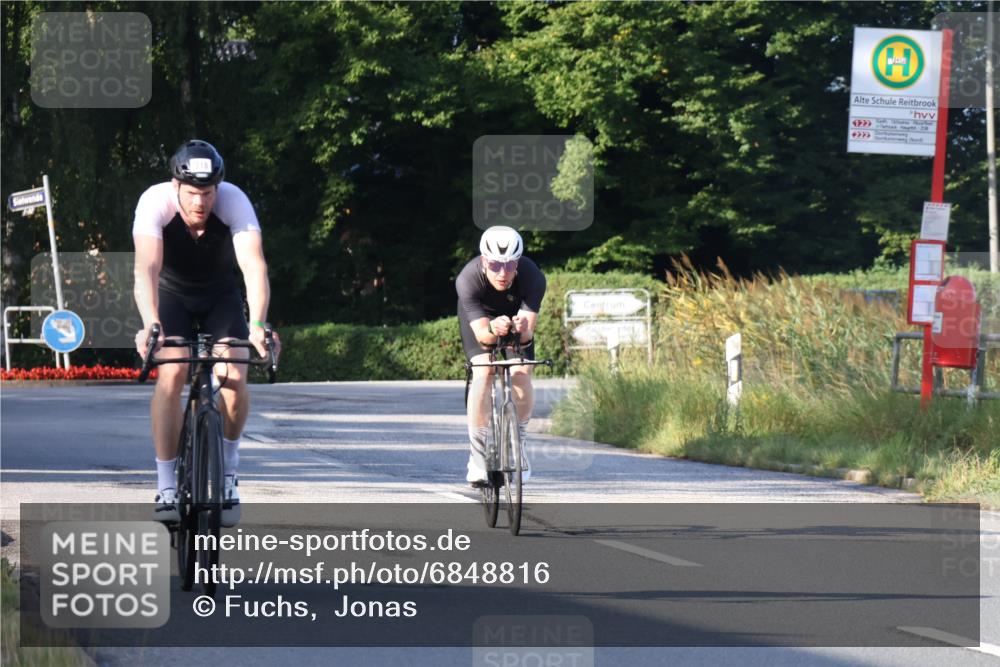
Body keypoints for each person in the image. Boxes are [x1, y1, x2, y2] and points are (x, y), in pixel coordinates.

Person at [133, 139, 272, 526]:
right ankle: (166, 487)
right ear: (176, 186)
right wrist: (150, 324)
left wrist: (259, 326)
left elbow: (254, 267)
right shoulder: (155, 202)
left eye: (207, 193)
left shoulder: (234, 201)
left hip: (220, 296)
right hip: (171, 295)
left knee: (233, 373)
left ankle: (227, 475)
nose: (200, 202)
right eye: (193, 193)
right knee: (173, 371)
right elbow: (146, 269)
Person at [456, 226, 546, 485]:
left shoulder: (532, 277)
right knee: (484, 371)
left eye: (509, 266)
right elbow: (484, 336)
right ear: (484, 260)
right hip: (481, 321)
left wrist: (521, 329)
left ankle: (518, 446)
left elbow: (527, 337)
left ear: (518, 263)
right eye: (495, 265)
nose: (503, 273)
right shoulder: (468, 279)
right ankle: (478, 456)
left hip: (516, 321)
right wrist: (494, 328)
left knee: (520, 372)